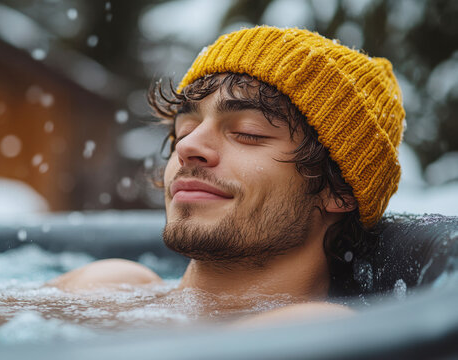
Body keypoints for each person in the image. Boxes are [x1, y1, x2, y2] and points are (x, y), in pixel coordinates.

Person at [49, 26, 405, 324]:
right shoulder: (105, 288)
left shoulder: (315, 329)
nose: (188, 147)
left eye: (248, 132)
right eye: (185, 128)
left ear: (338, 189)